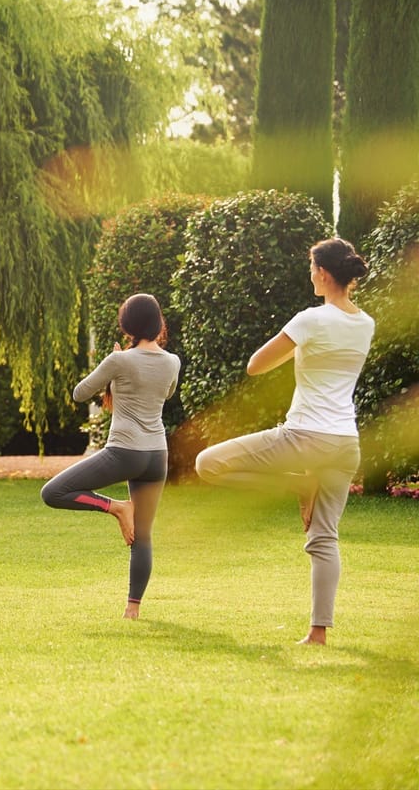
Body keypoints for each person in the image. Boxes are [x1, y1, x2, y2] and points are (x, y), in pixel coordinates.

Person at [195, 238, 373, 646]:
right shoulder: (366, 323)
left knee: (208, 464)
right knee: (324, 538)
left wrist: (298, 346)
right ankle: (318, 633)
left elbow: (255, 366)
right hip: (345, 443)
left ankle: (298, 484)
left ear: (323, 273)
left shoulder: (310, 320)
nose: (310, 275)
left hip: (304, 437)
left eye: (312, 269)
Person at [39, 294, 181, 620]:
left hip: (124, 452)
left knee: (53, 492)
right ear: (158, 323)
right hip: (156, 456)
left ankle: (115, 507)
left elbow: (80, 393)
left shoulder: (120, 361)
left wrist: (113, 364)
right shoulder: (172, 361)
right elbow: (166, 392)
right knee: (143, 535)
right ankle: (133, 610)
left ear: (127, 325)